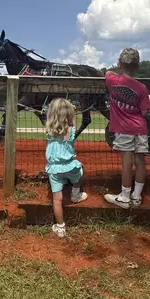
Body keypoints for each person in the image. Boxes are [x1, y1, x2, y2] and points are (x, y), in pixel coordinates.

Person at [104, 48, 150, 208]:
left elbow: (107, 73)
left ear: (120, 64)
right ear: (137, 66)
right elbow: (145, 112)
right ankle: (136, 196)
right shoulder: (142, 88)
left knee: (126, 162)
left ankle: (124, 197)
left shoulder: (112, 80)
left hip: (123, 128)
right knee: (140, 162)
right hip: (140, 128)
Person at [44, 98, 88, 238]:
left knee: (57, 199)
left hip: (55, 170)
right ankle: (75, 194)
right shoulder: (71, 130)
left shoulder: (49, 130)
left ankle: (60, 228)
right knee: (80, 170)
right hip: (70, 166)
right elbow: (70, 125)